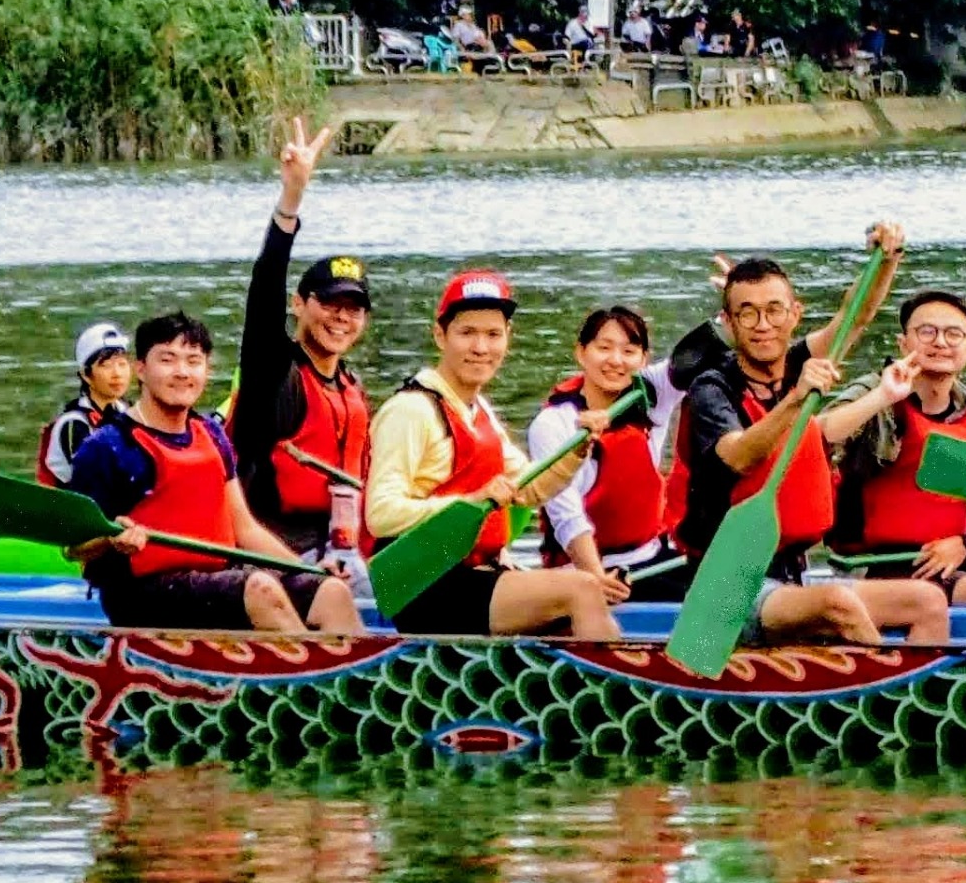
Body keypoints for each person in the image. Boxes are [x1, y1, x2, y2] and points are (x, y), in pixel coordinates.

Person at [667, 237, 949, 644]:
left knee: (927, 600)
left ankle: (915, 681)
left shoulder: (797, 362)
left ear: (794, 314)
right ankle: (880, 681)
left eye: (773, 310)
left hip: (791, 576)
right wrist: (797, 399)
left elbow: (855, 317)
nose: (763, 325)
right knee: (837, 602)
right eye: (747, 313)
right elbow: (738, 456)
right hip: (725, 587)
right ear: (728, 322)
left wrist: (887, 258)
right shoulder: (711, 389)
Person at [65, 313, 361, 635]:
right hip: (142, 593)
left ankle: (349, 666)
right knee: (260, 588)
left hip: (216, 580)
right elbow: (74, 547)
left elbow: (245, 529)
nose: (182, 372)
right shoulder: (107, 446)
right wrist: (110, 539)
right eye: (167, 360)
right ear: (141, 369)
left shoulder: (211, 434)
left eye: (193, 361)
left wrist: (305, 569)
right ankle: (306, 664)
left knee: (331, 591)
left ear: (206, 371)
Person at [366, 272, 613, 639]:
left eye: (493, 334)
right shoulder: (410, 411)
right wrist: (471, 501)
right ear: (440, 335)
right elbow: (381, 514)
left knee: (567, 616)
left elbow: (529, 489)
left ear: (507, 338)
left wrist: (578, 449)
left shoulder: (477, 410)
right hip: (421, 585)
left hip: (473, 575)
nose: (481, 347)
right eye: (467, 333)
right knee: (583, 588)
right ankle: (616, 674)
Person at [229, 118, 374, 565]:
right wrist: (291, 199)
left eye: (353, 309)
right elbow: (264, 288)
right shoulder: (274, 374)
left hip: (343, 549)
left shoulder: (350, 386)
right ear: (298, 304)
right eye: (329, 304)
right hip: (277, 553)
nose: (341, 318)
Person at [828, 288, 966, 609]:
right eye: (927, 332)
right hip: (883, 560)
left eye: (953, 334)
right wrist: (883, 396)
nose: (940, 342)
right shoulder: (876, 391)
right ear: (903, 343)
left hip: (955, 555)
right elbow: (822, 434)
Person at [526, 306, 670, 608]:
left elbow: (706, 350)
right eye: (604, 348)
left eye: (629, 351)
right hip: (581, 573)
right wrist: (596, 579)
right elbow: (567, 517)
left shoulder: (654, 394)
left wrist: (733, 302)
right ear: (581, 353)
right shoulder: (554, 423)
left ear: (643, 359)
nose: (616, 360)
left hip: (651, 562)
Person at [39, 321, 134, 488]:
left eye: (122, 364)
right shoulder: (73, 423)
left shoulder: (129, 412)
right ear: (86, 375)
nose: (117, 374)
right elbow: (91, 481)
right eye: (106, 365)